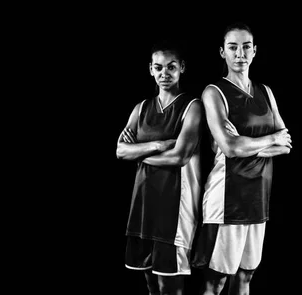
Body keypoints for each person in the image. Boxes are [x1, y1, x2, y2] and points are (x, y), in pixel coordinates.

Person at [190, 22, 292, 295]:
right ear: (222, 52)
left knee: (246, 277)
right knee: (216, 280)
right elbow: (231, 146)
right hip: (227, 198)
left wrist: (246, 145)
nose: (240, 53)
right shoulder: (214, 92)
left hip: (258, 196)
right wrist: (270, 139)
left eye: (246, 46)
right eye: (233, 47)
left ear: (255, 51)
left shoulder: (266, 92)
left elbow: (287, 145)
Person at [116, 40, 204, 295]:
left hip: (175, 206)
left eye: (171, 67)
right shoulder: (141, 108)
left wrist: (138, 154)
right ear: (151, 70)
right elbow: (120, 150)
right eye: (158, 68)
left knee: (170, 283)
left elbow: (179, 157)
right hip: (143, 203)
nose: (164, 73)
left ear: (182, 68)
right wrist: (157, 144)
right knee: (150, 282)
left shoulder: (193, 106)